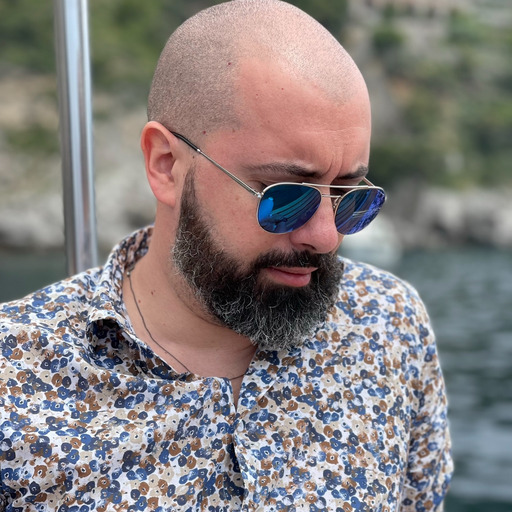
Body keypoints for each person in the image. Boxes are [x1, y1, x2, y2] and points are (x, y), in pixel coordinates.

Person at [0, 1, 453, 510]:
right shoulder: (15, 381)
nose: (326, 237)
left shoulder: (389, 325)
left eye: (350, 197)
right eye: (286, 195)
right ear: (166, 165)